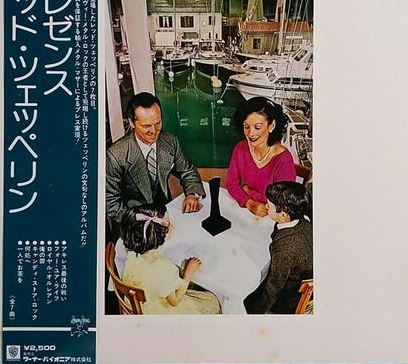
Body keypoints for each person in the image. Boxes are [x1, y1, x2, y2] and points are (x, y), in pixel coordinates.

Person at [106, 92, 205, 223]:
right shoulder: (115, 155)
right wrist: (141, 220)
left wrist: (192, 194)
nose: (154, 131)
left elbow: (187, 171)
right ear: (131, 122)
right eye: (146, 126)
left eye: (158, 123)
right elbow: (111, 203)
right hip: (134, 221)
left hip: (166, 213)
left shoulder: (170, 141)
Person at [120, 204, 221, 314]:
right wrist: (188, 274)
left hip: (139, 300)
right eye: (168, 224)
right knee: (213, 302)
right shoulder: (160, 267)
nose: (172, 226)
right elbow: (175, 301)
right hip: (157, 311)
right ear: (159, 234)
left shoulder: (134, 251)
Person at [244, 181, 313, 314]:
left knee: (246, 297)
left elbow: (273, 288)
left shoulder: (286, 249)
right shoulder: (303, 220)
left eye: (269, 205)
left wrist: (254, 313)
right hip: (296, 278)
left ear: (283, 215)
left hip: (289, 298)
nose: (266, 206)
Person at [227, 96, 296, 216]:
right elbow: (231, 184)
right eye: (246, 127)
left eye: (257, 127)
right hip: (248, 210)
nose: (250, 133)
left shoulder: (284, 159)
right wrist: (249, 203)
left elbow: (282, 201)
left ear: (271, 126)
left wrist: (249, 192)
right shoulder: (241, 148)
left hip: (274, 216)